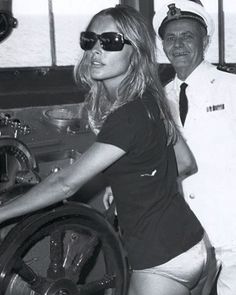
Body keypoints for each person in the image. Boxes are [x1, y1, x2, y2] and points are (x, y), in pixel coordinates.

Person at [0, 5, 208, 295]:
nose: (96, 50)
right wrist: (131, 183)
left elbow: (64, 184)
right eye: (90, 40)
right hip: (191, 244)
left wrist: (3, 213)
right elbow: (184, 163)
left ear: (135, 51)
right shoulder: (150, 98)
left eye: (110, 42)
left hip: (160, 258)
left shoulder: (128, 115)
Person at [153, 1, 236, 295]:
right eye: (170, 38)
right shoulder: (159, 99)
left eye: (187, 35)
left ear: (206, 41)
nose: (178, 44)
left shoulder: (231, 87)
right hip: (188, 234)